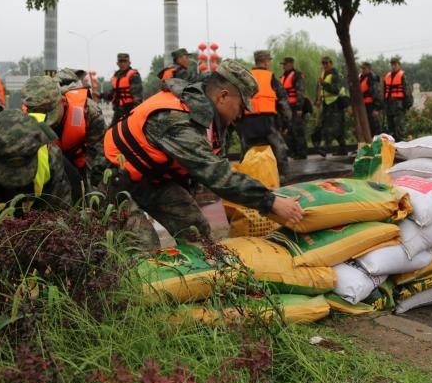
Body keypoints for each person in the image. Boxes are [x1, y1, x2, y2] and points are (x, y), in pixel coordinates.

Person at [104, 60, 304, 242]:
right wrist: (271, 202)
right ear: (223, 96)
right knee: (144, 244)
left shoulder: (211, 121)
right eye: (241, 105)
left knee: (195, 230)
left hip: (153, 179)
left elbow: (215, 169)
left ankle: (198, 278)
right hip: (113, 180)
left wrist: (265, 200)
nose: (243, 113)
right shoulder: (179, 120)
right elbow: (218, 176)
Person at [21, 75, 107, 188]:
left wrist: (91, 194)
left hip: (81, 163)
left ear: (63, 101)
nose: (49, 123)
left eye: (51, 113)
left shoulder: (90, 112)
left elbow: (98, 158)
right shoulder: (23, 118)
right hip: (49, 165)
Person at [235, 50, 292, 181]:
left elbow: (236, 100)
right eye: (269, 61)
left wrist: (237, 122)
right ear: (266, 62)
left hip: (248, 121)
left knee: (247, 152)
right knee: (279, 149)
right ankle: (282, 178)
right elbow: (283, 102)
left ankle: (243, 180)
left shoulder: (245, 77)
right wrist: (287, 123)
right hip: (267, 122)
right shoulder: (270, 77)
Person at [312, 56, 347, 156]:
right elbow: (319, 89)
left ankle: (325, 148)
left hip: (336, 104)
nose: (325, 65)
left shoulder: (336, 75)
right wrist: (317, 100)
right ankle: (343, 148)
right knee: (337, 128)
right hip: (327, 104)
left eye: (327, 63)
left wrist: (324, 84)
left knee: (330, 128)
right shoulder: (322, 74)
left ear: (331, 63)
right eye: (323, 63)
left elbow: (335, 90)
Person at [279, 56, 308, 159]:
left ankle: (301, 153)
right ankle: (294, 152)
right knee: (288, 132)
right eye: (283, 65)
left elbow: (300, 91)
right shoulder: (282, 77)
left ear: (290, 64)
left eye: (285, 64)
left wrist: (300, 107)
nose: (283, 67)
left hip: (295, 107)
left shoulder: (296, 75)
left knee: (297, 131)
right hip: (285, 109)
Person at [107, 52, 143, 124]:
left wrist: (134, 112)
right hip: (118, 110)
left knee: (128, 132)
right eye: (121, 61)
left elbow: (137, 97)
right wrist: (100, 95)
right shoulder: (116, 76)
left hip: (129, 110)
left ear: (129, 63)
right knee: (110, 132)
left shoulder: (133, 75)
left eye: (125, 61)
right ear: (117, 63)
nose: (122, 64)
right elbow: (112, 94)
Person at [383, 57, 413, 141]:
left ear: (399, 65)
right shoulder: (387, 76)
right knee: (391, 128)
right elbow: (384, 91)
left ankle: (402, 145)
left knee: (399, 128)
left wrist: (407, 105)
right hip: (389, 106)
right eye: (392, 65)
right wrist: (383, 105)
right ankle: (393, 147)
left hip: (399, 105)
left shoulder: (402, 76)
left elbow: (407, 91)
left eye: (395, 65)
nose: (393, 67)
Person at [359, 61, 383, 137]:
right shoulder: (361, 78)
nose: (362, 70)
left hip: (371, 106)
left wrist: (376, 108)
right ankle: (368, 144)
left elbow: (376, 94)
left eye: (364, 68)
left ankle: (377, 145)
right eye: (362, 69)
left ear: (369, 69)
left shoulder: (372, 79)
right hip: (364, 106)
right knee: (366, 127)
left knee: (375, 127)